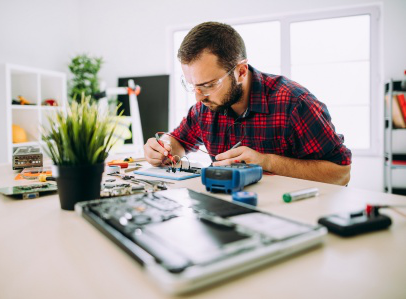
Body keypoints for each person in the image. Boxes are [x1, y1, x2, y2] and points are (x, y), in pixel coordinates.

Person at [144, 21, 351, 186]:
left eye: (208, 85)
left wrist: (266, 162)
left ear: (241, 71)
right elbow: (179, 143)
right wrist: (164, 148)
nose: (198, 98)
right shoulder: (205, 107)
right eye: (192, 85)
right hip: (225, 214)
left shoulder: (294, 104)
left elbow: (341, 173)